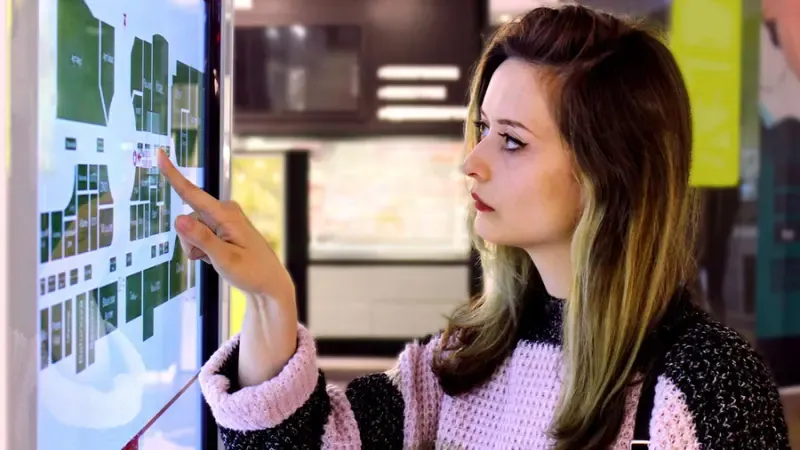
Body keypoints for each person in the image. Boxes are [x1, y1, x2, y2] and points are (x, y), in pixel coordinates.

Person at [158, 5, 790, 449]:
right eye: (483, 128)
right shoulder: (462, 362)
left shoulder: (706, 383)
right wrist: (271, 300)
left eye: (512, 141)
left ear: (610, 172)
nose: (473, 160)